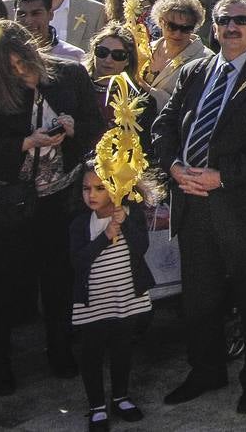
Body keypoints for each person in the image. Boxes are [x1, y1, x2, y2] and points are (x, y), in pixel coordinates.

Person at [151, 0, 246, 414]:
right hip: (193, 203)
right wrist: (175, 167)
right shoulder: (194, 71)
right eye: (223, 20)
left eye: (241, 20)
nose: (232, 27)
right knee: (199, 299)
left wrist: (222, 175)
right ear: (212, 28)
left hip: (245, 208)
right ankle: (206, 370)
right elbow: (164, 126)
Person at [0, 20, 101, 392]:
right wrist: (25, 143)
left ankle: (59, 350)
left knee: (59, 278)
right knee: (4, 283)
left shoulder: (68, 75)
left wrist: (72, 132)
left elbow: (96, 127)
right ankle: (0, 364)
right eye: (11, 67)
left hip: (60, 195)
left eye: (24, 63)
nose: (21, 72)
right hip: (9, 200)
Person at [69, 161, 159, 432]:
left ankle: (120, 396)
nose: (91, 195)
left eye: (99, 188)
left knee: (122, 348)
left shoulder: (131, 215)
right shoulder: (80, 224)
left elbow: (141, 247)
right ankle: (96, 406)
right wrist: (105, 237)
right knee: (92, 352)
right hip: (94, 300)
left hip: (125, 296)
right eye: (86, 189)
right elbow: (78, 261)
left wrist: (125, 223)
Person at [147, 0, 211, 100]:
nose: (178, 34)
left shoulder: (205, 60)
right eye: (172, 26)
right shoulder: (145, 49)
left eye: (186, 28)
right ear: (160, 22)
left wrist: (144, 87)